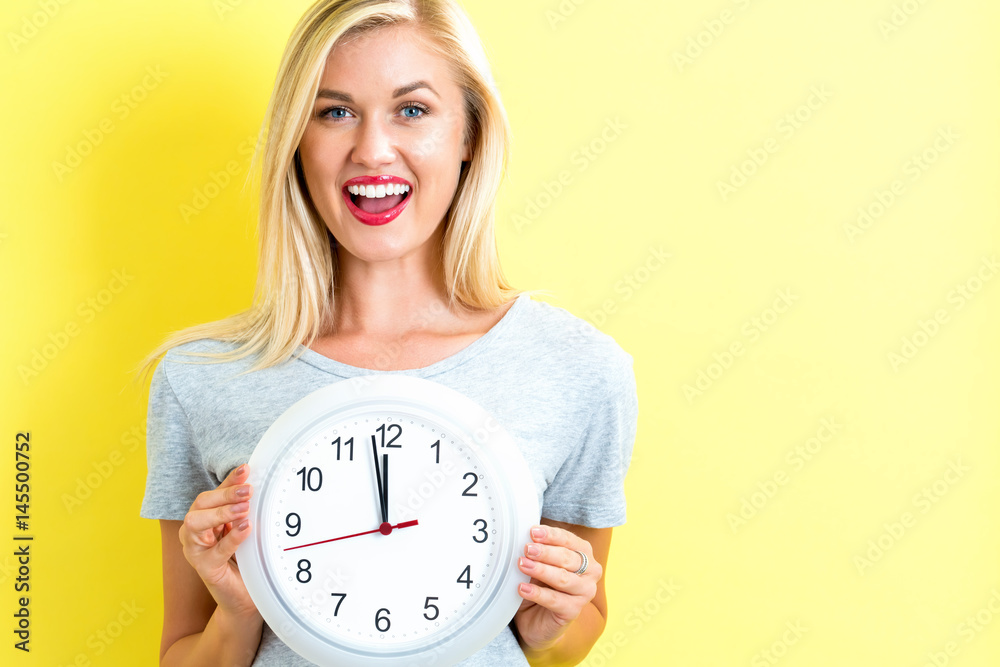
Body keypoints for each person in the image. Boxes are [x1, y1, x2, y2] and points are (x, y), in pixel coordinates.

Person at [134, 0, 638, 665]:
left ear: (468, 137)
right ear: (297, 139)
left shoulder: (577, 369)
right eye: (335, 111)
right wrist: (239, 606)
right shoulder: (200, 377)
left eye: (412, 109)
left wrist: (548, 628)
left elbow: (567, 637)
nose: (372, 148)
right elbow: (182, 653)